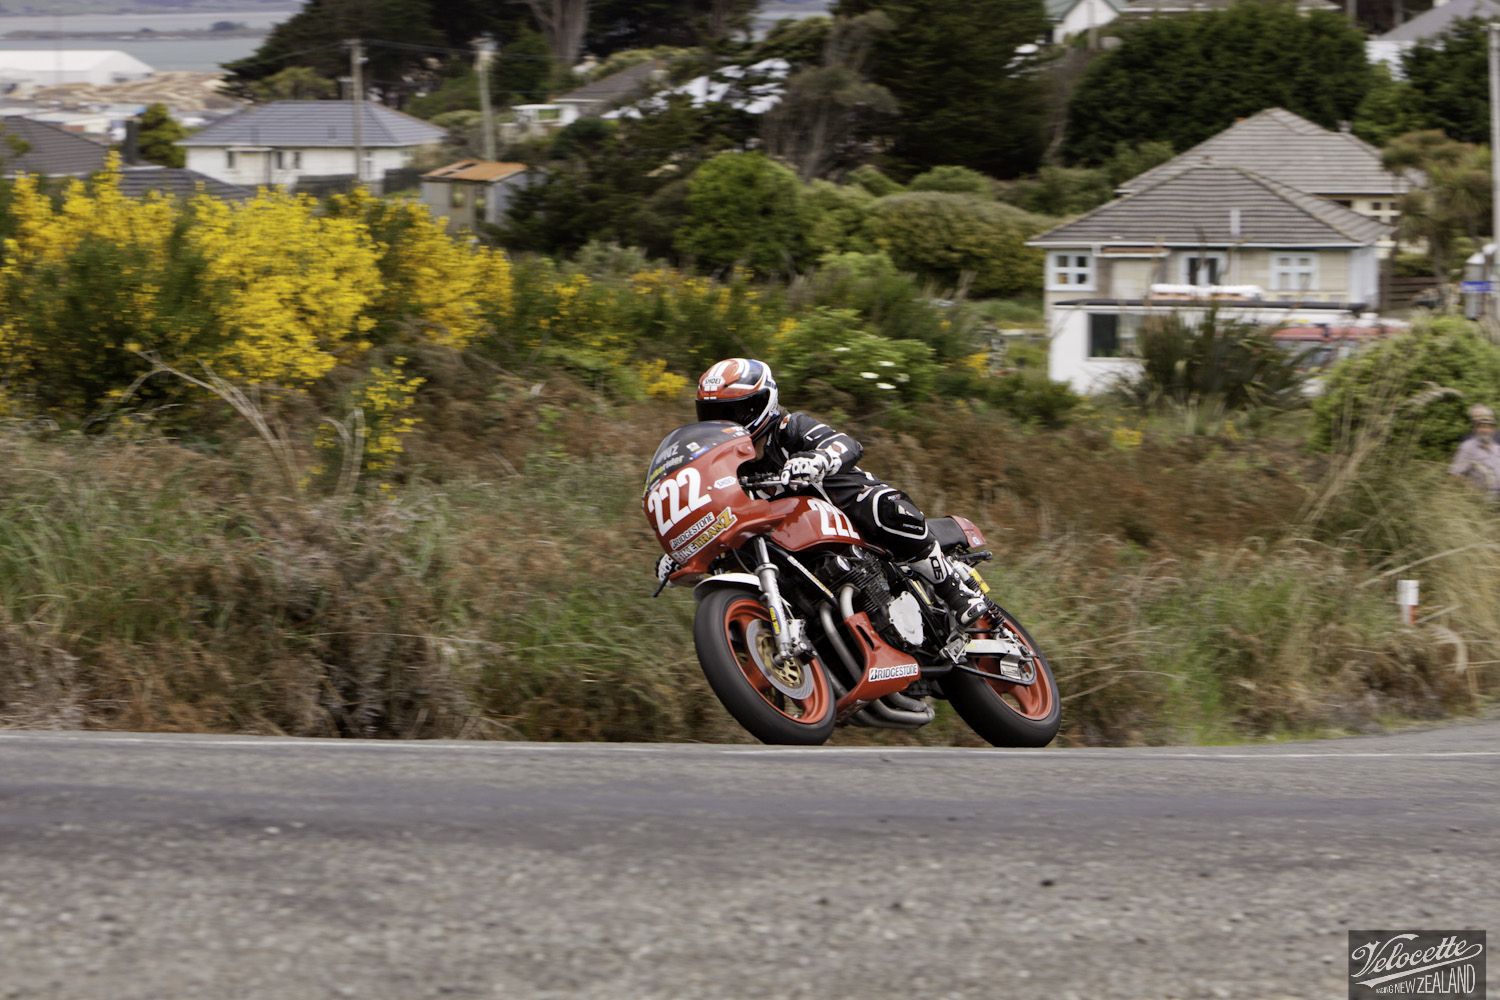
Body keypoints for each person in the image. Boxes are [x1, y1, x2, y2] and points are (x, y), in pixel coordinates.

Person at [659, 357, 988, 628]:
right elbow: (714, 503)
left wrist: (818, 459)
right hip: (795, 538)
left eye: (735, 412)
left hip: (849, 514)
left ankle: (953, 589)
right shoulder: (730, 465)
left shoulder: (790, 428)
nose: (726, 423)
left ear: (764, 402)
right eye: (713, 415)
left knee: (880, 506)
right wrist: (683, 548)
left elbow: (846, 444)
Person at [1449, 403, 1500, 499]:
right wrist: (1473, 493)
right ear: (1476, 428)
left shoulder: (1497, 448)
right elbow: (1455, 474)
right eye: (1482, 426)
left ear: (1493, 430)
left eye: (1488, 427)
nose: (1485, 430)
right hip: (1481, 501)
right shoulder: (1467, 447)